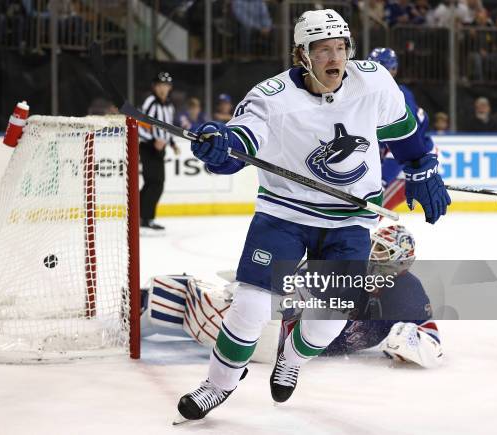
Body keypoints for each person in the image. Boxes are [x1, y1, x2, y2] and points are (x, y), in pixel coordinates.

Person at [175, 9, 450, 422]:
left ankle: (292, 357)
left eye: (340, 48)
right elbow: (239, 144)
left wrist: (422, 166)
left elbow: (405, 134)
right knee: (250, 307)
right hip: (284, 212)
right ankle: (218, 384)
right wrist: (221, 147)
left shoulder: (373, 80)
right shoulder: (270, 97)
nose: (334, 58)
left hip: (350, 218)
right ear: (301, 55)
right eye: (323, 50)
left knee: (328, 321)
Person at [141, 226, 442, 369]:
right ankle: (143, 306)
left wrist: (408, 339)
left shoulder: (407, 291)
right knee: (212, 304)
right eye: (371, 251)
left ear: (400, 267)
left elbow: (429, 336)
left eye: (381, 257)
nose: (369, 260)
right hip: (284, 327)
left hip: (284, 345)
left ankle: (147, 308)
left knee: (210, 313)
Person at [367, 47, 435, 211]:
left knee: (370, 213)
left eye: (382, 69)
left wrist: (382, 181)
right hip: (395, 161)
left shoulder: (399, 98)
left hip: (412, 164)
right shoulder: (368, 96)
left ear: (394, 71)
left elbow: (405, 149)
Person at [138, 72, 178, 233]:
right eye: (160, 85)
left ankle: (142, 217)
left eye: (166, 86)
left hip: (159, 149)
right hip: (148, 147)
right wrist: (153, 140)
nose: (163, 89)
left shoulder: (169, 105)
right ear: (155, 87)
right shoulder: (150, 102)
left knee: (154, 183)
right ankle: (145, 219)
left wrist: (172, 143)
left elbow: (167, 127)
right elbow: (139, 124)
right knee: (155, 182)